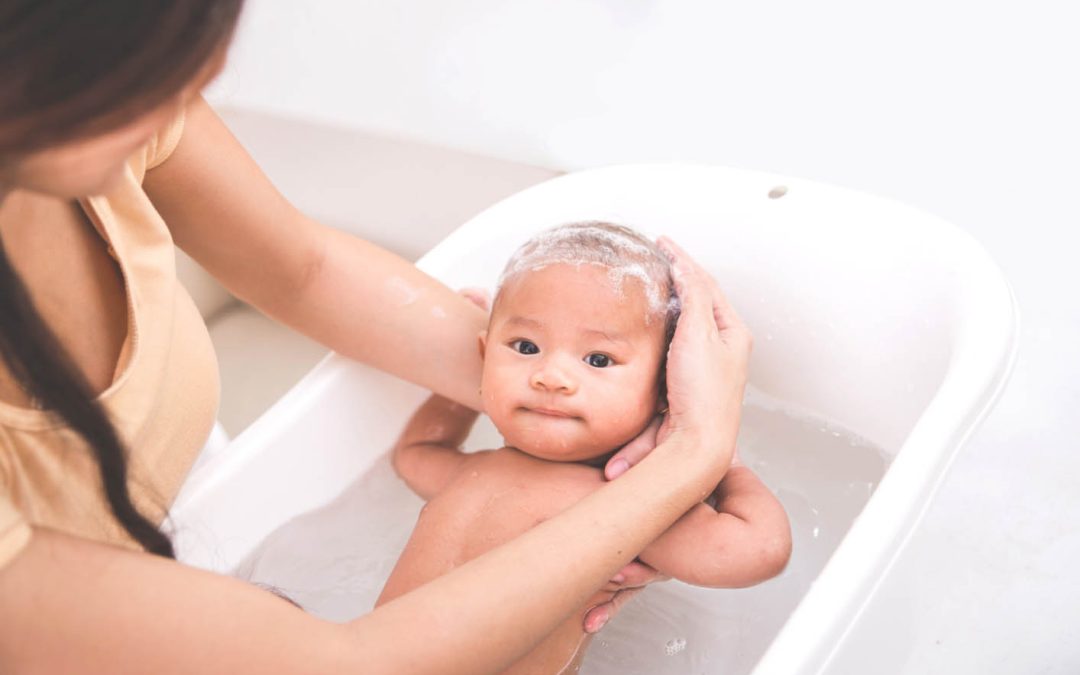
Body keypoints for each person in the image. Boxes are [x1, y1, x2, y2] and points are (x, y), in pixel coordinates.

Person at [0, 2, 753, 672]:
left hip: (185, 518)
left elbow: (304, 268)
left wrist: (541, 372)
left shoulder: (112, 103)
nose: (213, 72)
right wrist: (692, 458)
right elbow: (349, 662)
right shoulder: (104, 91)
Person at [377, 223, 791, 674]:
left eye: (598, 359)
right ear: (484, 354)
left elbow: (758, 551)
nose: (550, 375)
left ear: (665, 389)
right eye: (525, 346)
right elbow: (416, 453)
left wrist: (717, 448)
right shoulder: (490, 477)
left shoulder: (625, 501)